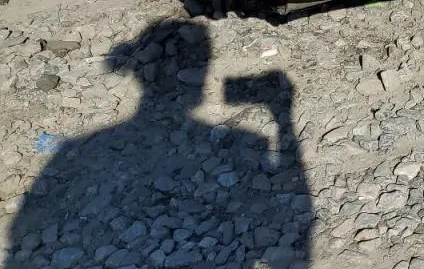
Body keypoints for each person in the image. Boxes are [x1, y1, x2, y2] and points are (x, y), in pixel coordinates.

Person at [5, 20, 313, 269]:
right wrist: (283, 120)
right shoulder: (249, 140)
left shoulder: (77, 150)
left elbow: (17, 242)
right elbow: (296, 227)